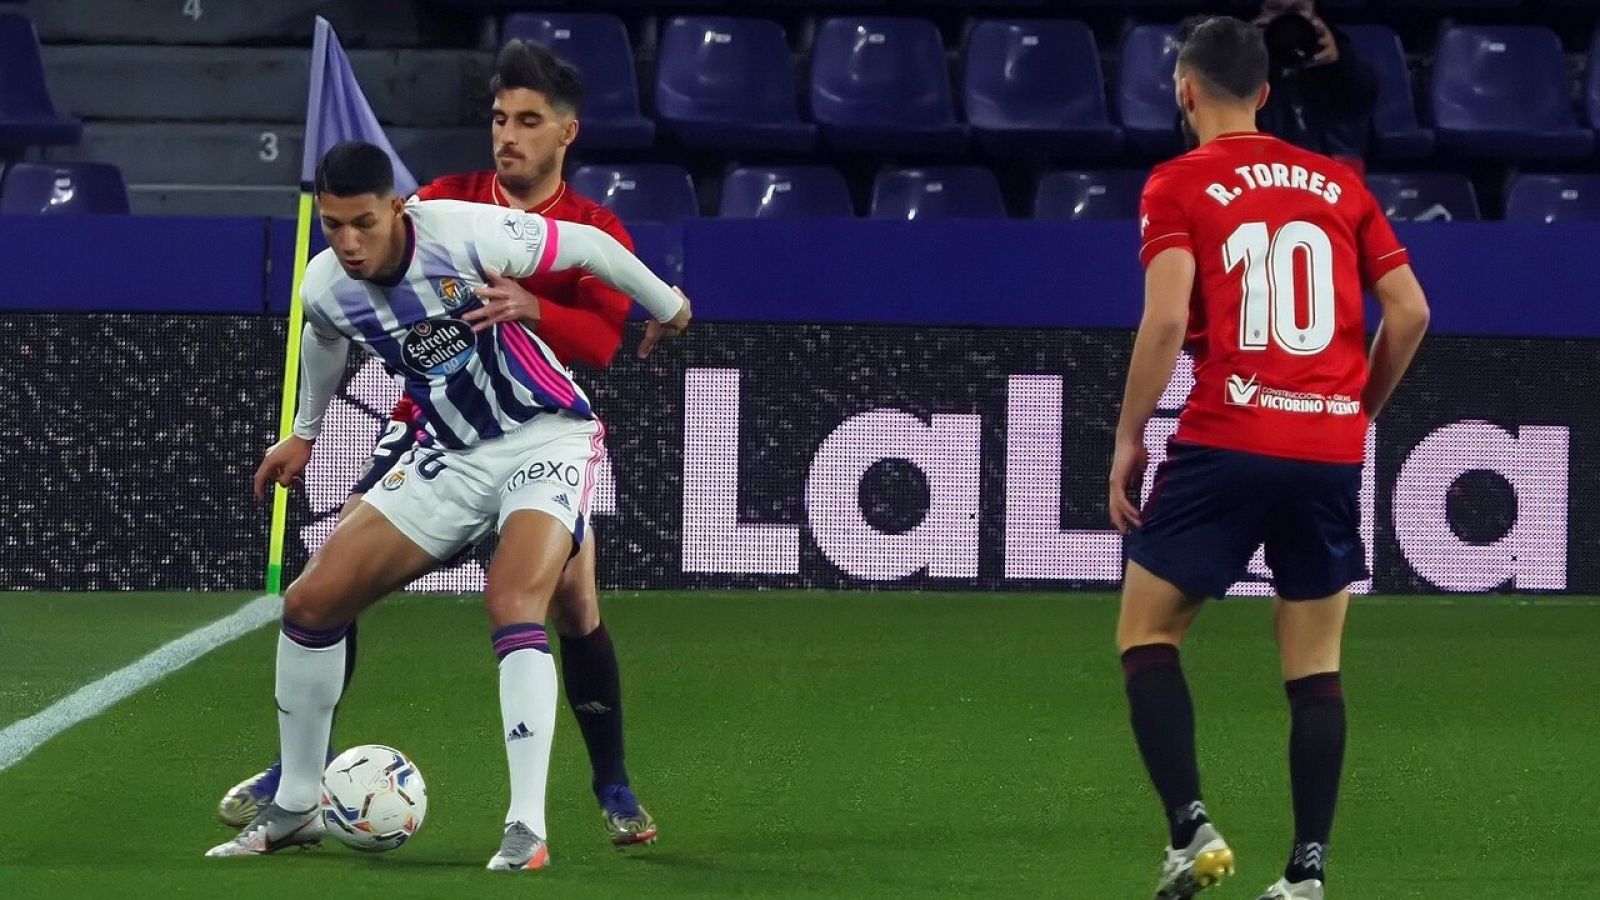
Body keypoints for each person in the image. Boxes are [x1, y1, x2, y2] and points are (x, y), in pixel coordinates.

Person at [216, 40, 658, 849]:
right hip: (432, 427)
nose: (507, 136)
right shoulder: (441, 203)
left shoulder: (590, 226)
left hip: (540, 425)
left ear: (565, 134)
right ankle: (296, 779)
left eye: (528, 121)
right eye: (498, 119)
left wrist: (533, 308)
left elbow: (601, 341)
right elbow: (350, 304)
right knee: (333, 574)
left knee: (571, 601)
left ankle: (610, 782)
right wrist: (307, 433)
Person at [1108, 17, 1428, 900]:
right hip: (1327, 446)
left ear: (1184, 91)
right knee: (1316, 665)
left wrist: (1129, 438)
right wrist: (1351, 410)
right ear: (1265, 94)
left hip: (1229, 435)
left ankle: (1189, 830)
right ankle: (1307, 875)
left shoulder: (1178, 182)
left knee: (1147, 632)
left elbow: (1168, 321)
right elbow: (1409, 312)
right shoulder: (1339, 183)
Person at [1252, 1, 1379, 168]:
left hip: (1326, 167)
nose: (1286, 19)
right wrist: (1246, 56)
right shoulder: (1246, 50)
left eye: (1296, 10)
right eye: (1275, 9)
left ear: (1314, 12)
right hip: (1258, 165)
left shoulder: (1332, 48)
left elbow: (1362, 102)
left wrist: (1339, 63)